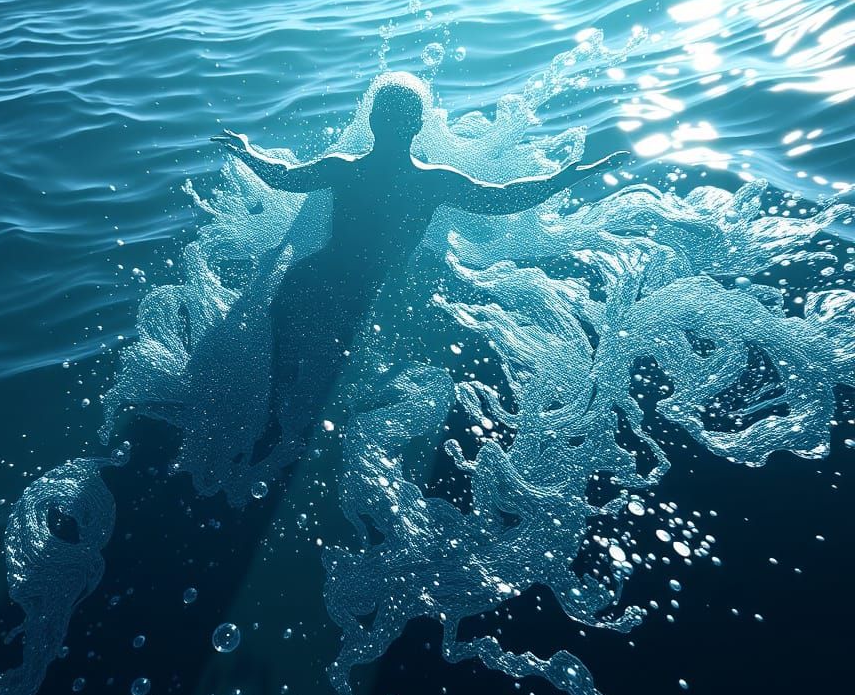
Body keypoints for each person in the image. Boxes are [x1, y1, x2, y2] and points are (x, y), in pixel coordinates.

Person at [211, 79, 627, 460]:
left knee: (289, 343)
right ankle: (305, 431)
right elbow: (500, 199)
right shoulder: (431, 181)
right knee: (330, 359)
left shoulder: (346, 167)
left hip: (318, 274)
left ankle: (274, 420)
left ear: (372, 122)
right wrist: (564, 178)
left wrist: (246, 150)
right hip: (374, 288)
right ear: (418, 126)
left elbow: (283, 177)